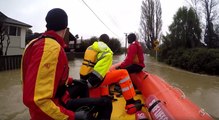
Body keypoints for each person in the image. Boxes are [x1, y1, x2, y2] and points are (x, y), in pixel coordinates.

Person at [22, 8, 112, 120]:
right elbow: (37, 101)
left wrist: (70, 80)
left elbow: (44, 78)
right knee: (106, 103)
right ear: (65, 28)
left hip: (59, 97)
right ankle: (84, 114)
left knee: (83, 84)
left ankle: (85, 110)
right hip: (54, 107)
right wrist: (73, 116)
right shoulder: (51, 49)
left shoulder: (34, 43)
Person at [79, 34, 142, 114]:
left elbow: (93, 67)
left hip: (84, 77)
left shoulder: (90, 47)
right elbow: (99, 73)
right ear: (107, 42)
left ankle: (105, 95)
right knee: (123, 73)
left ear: (99, 39)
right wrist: (89, 84)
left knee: (106, 72)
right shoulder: (107, 51)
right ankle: (130, 102)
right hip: (93, 80)